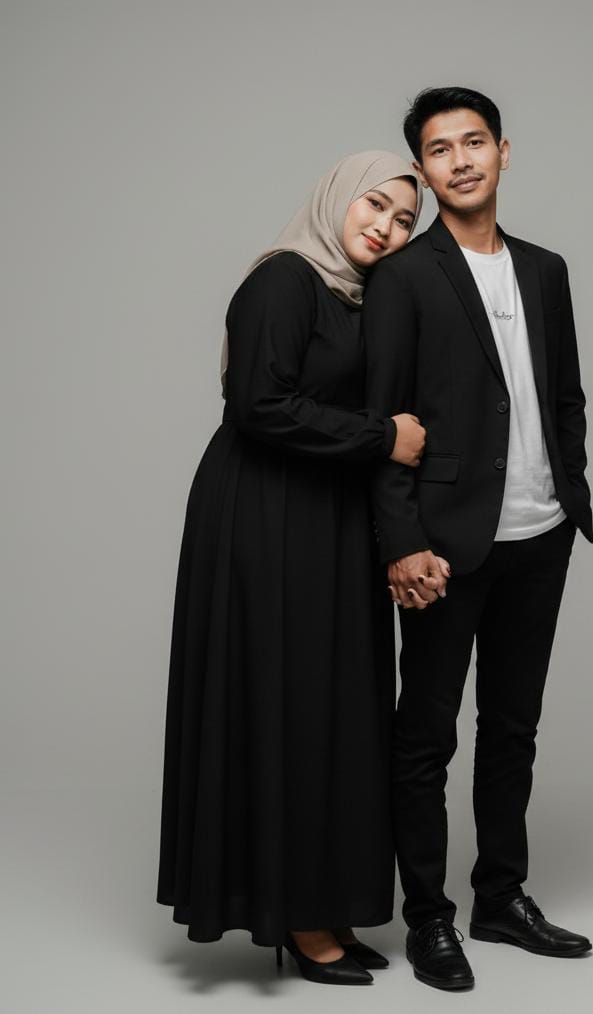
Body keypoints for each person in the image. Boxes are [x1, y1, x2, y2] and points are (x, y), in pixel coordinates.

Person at [157, 150, 431, 986]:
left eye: (404, 221)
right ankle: (294, 916)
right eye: (375, 206)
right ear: (337, 199)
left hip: (330, 515)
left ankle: (321, 902)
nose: (385, 228)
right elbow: (259, 404)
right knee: (283, 698)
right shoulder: (283, 280)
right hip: (265, 514)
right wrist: (384, 437)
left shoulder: (360, 297)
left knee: (335, 706)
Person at [363, 87, 593, 991]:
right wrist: (400, 541)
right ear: (423, 171)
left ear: (503, 151)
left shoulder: (546, 269)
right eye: (439, 149)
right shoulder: (405, 275)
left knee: (512, 728)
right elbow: (386, 417)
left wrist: (570, 488)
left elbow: (565, 395)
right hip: (445, 545)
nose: (460, 160)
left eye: (474, 142)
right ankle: (429, 918)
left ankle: (501, 896)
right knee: (425, 736)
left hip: (541, 533)